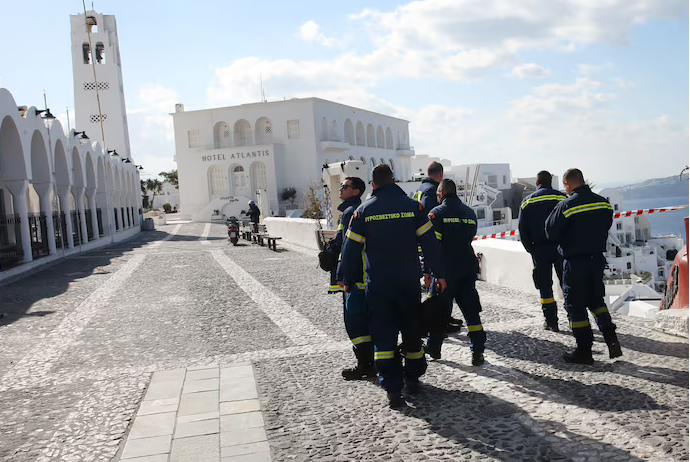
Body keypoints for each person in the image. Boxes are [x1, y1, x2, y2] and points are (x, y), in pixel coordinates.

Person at [341, 164, 446, 408]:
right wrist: (438, 273)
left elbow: (350, 251)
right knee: (411, 331)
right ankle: (413, 378)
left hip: (377, 286)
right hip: (408, 283)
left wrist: (347, 281)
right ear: (394, 180)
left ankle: (392, 390)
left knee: (384, 337)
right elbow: (430, 244)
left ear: (374, 184)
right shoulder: (413, 207)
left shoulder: (363, 211)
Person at [545, 168, 622, 364]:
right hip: (596, 260)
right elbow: (605, 226)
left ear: (568, 185)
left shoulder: (566, 206)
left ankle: (584, 350)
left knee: (575, 305)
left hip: (575, 262)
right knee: (596, 300)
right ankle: (611, 339)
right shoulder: (603, 204)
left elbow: (550, 231)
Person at [426, 179, 485, 365]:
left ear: (441, 193)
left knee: (439, 312)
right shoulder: (469, 213)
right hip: (467, 267)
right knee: (472, 313)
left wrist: (428, 271)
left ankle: (434, 348)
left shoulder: (436, 214)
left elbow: (432, 246)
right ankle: (477, 352)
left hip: (446, 271)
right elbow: (470, 238)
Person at [327, 177, 375, 380]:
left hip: (353, 278)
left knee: (355, 322)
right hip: (363, 276)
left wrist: (341, 276)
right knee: (367, 321)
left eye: (344, 186)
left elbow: (346, 246)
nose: (340, 189)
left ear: (356, 191)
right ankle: (370, 362)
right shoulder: (358, 210)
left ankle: (365, 364)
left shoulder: (350, 212)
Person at [415, 161, 463, 332]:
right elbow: (431, 218)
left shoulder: (420, 189)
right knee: (439, 284)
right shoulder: (430, 191)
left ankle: (442, 318)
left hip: (421, 242)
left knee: (436, 286)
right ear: (440, 174)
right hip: (432, 244)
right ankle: (438, 321)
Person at [518, 171, 567, 331]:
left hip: (539, 249)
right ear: (551, 182)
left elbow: (522, 230)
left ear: (537, 183)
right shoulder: (562, 198)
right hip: (561, 248)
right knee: (567, 283)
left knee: (545, 286)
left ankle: (551, 321)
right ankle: (574, 317)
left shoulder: (527, 202)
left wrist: (531, 249)